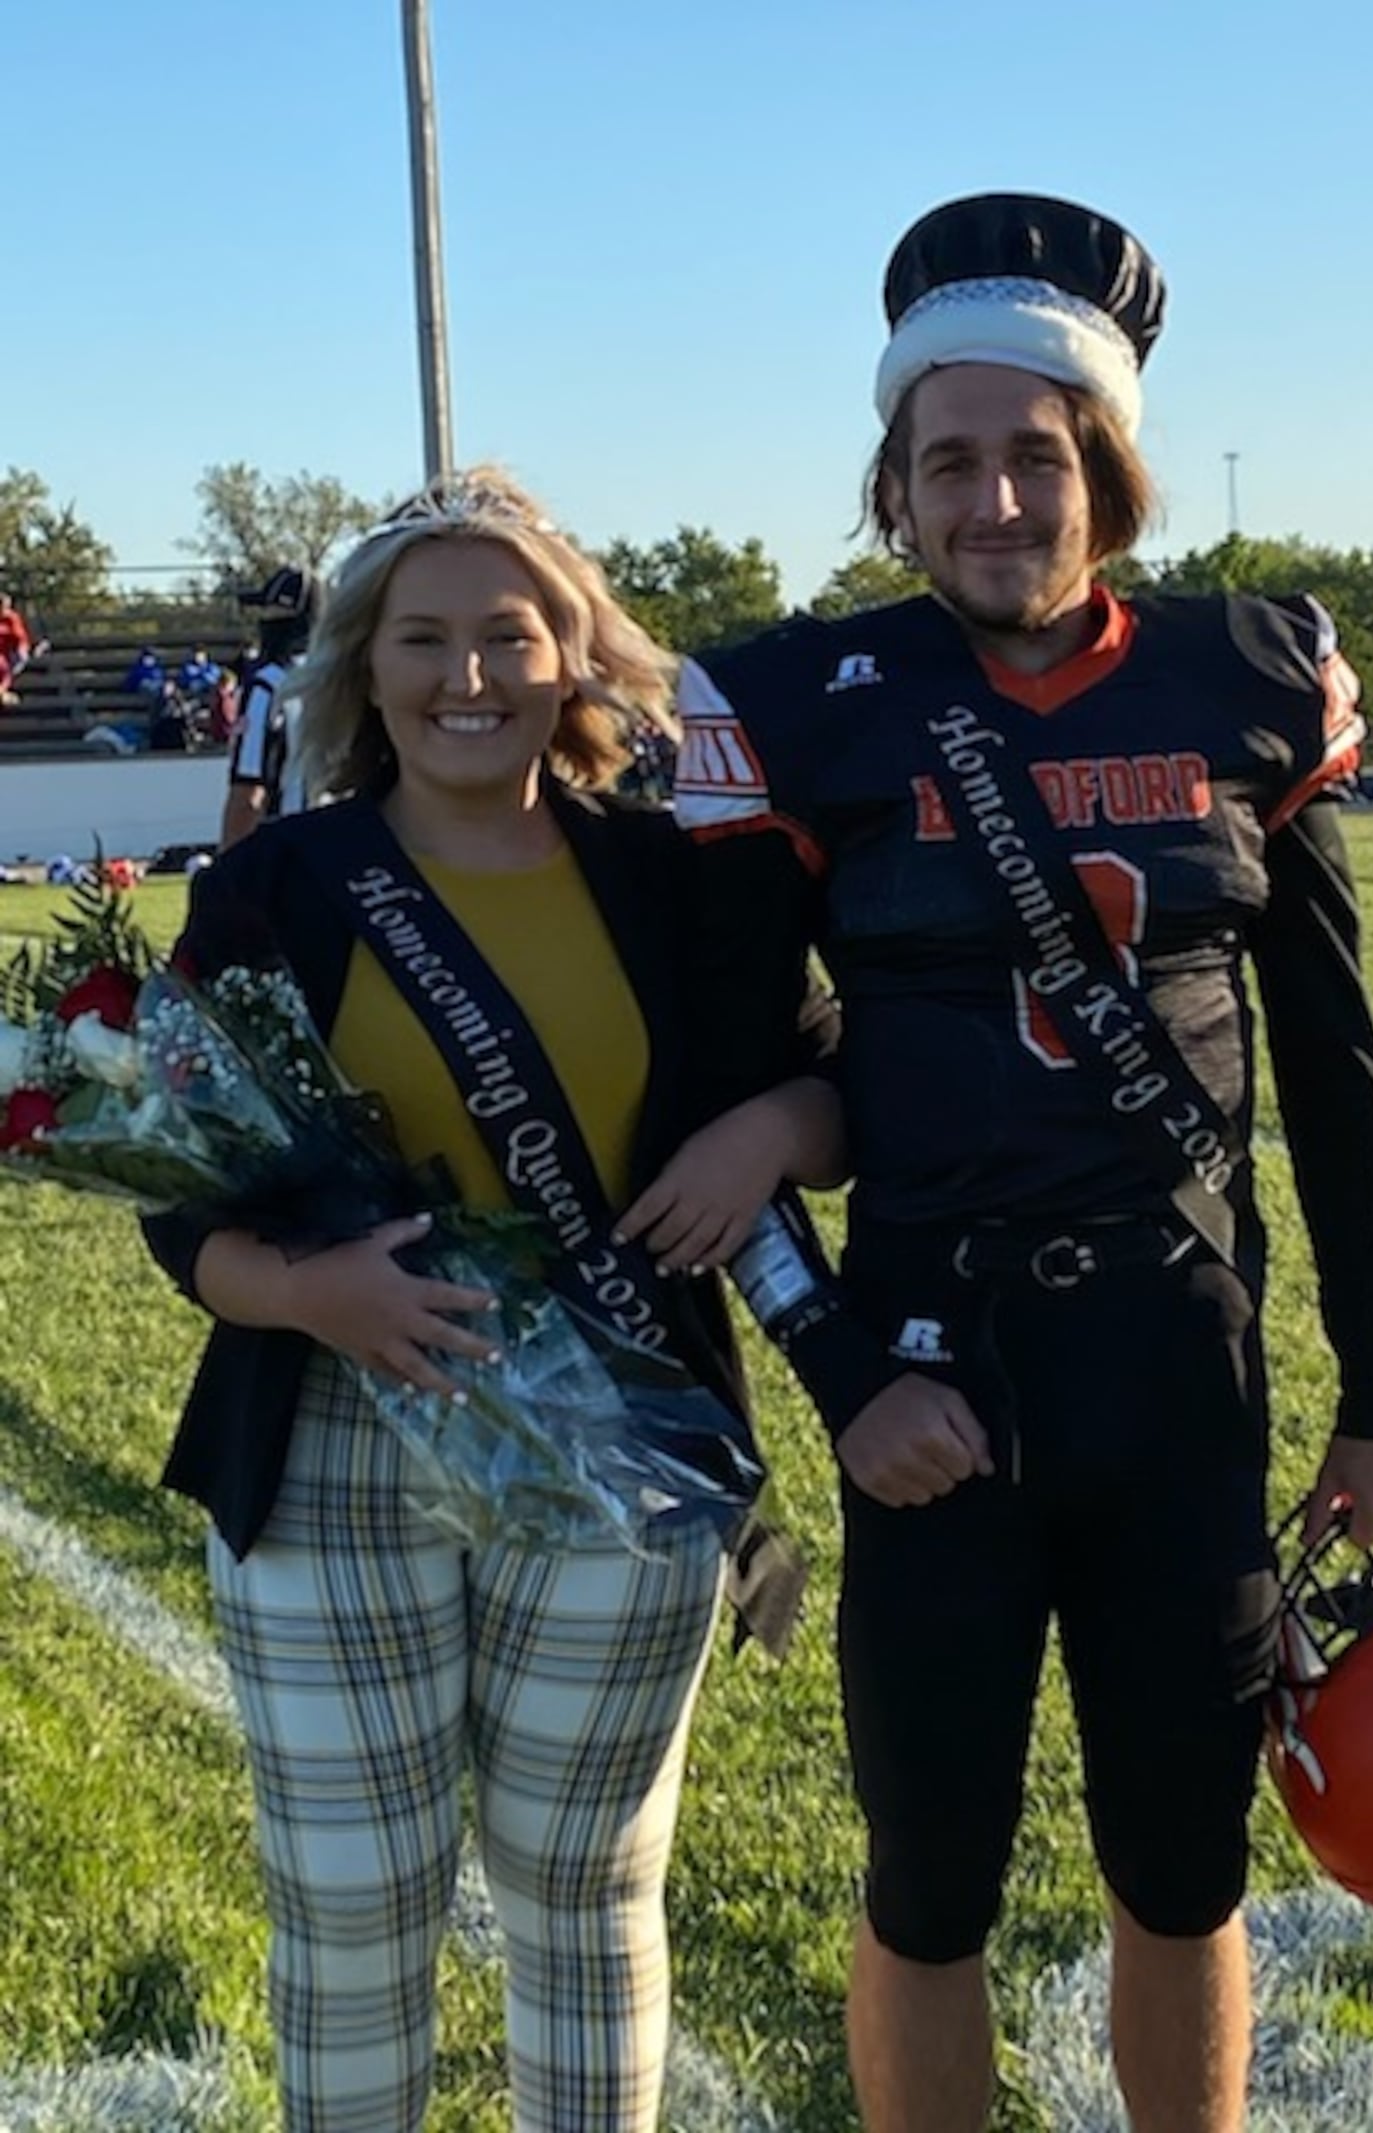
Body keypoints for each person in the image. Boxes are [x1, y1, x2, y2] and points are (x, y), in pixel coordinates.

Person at [668, 193, 1373, 2133]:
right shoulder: (786, 701)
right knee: (927, 1879)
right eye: (949, 459)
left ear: (1102, 466)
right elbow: (703, 1112)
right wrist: (847, 1374)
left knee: (1181, 1868)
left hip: (1181, 1375)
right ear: (894, 483)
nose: (992, 499)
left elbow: (1336, 1073)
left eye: (1035, 454)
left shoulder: (1242, 671)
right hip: (938, 1379)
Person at [141, 467, 848, 2133]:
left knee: (586, 1892)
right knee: (351, 1913)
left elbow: (829, 1080)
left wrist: (767, 1127)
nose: (469, 675)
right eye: (425, 638)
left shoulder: (678, 878)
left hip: (621, 1447)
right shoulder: (274, 887)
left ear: (571, 657)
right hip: (326, 1448)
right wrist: (313, 1293)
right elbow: (175, 1203)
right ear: (364, 669)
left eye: (508, 634)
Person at [220, 566, 319, 847]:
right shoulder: (352, 681)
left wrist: (228, 876)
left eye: (270, 612)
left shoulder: (270, 685)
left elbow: (247, 794)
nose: (263, 622)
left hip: (295, 852)